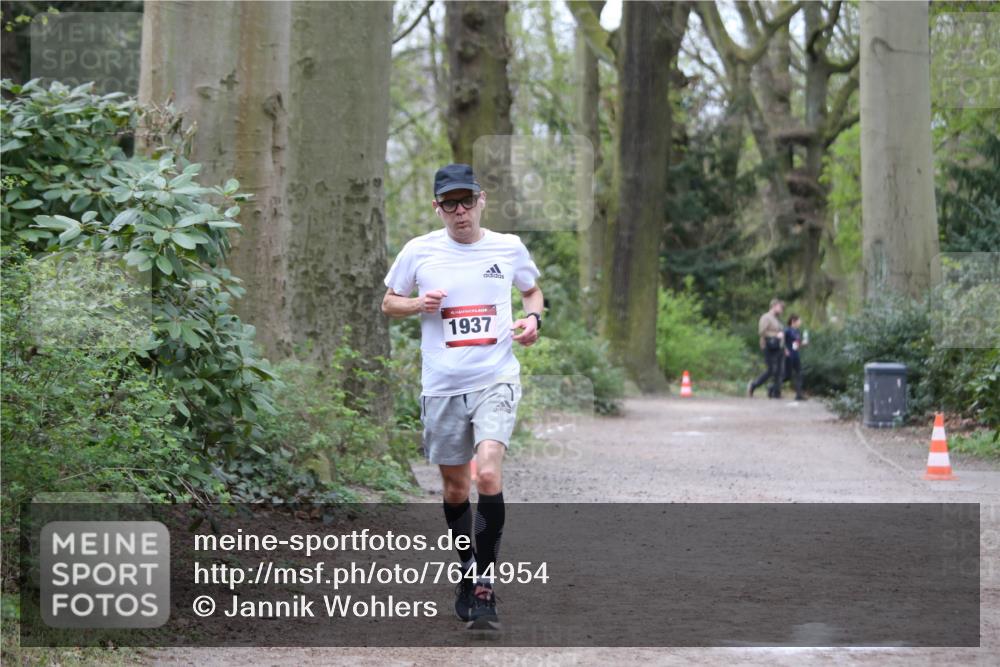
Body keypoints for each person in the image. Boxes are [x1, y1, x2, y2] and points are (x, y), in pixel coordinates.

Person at [381, 163, 543, 632]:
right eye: (449, 204)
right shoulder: (419, 250)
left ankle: (485, 586)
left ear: (480, 200)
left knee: (487, 472)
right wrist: (418, 303)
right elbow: (389, 302)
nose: (459, 212)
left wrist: (534, 321)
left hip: (495, 377)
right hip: (442, 386)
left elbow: (532, 292)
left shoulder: (508, 247)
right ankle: (467, 571)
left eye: (466, 201)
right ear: (438, 208)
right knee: (455, 489)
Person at [747, 298, 785, 399]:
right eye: (780, 307)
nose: (782, 309)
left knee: (780, 371)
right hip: (769, 347)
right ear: (774, 306)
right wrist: (776, 335)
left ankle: (775, 392)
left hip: (779, 347)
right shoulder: (766, 317)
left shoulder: (777, 319)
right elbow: (761, 332)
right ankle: (753, 385)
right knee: (771, 370)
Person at [783, 314, 806, 400]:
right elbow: (781, 341)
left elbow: (796, 344)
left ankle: (799, 395)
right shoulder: (787, 330)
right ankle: (772, 387)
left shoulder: (797, 331)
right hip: (788, 355)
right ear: (793, 321)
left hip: (796, 354)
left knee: (799, 373)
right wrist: (785, 349)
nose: (800, 322)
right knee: (787, 376)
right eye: (799, 321)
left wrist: (802, 344)